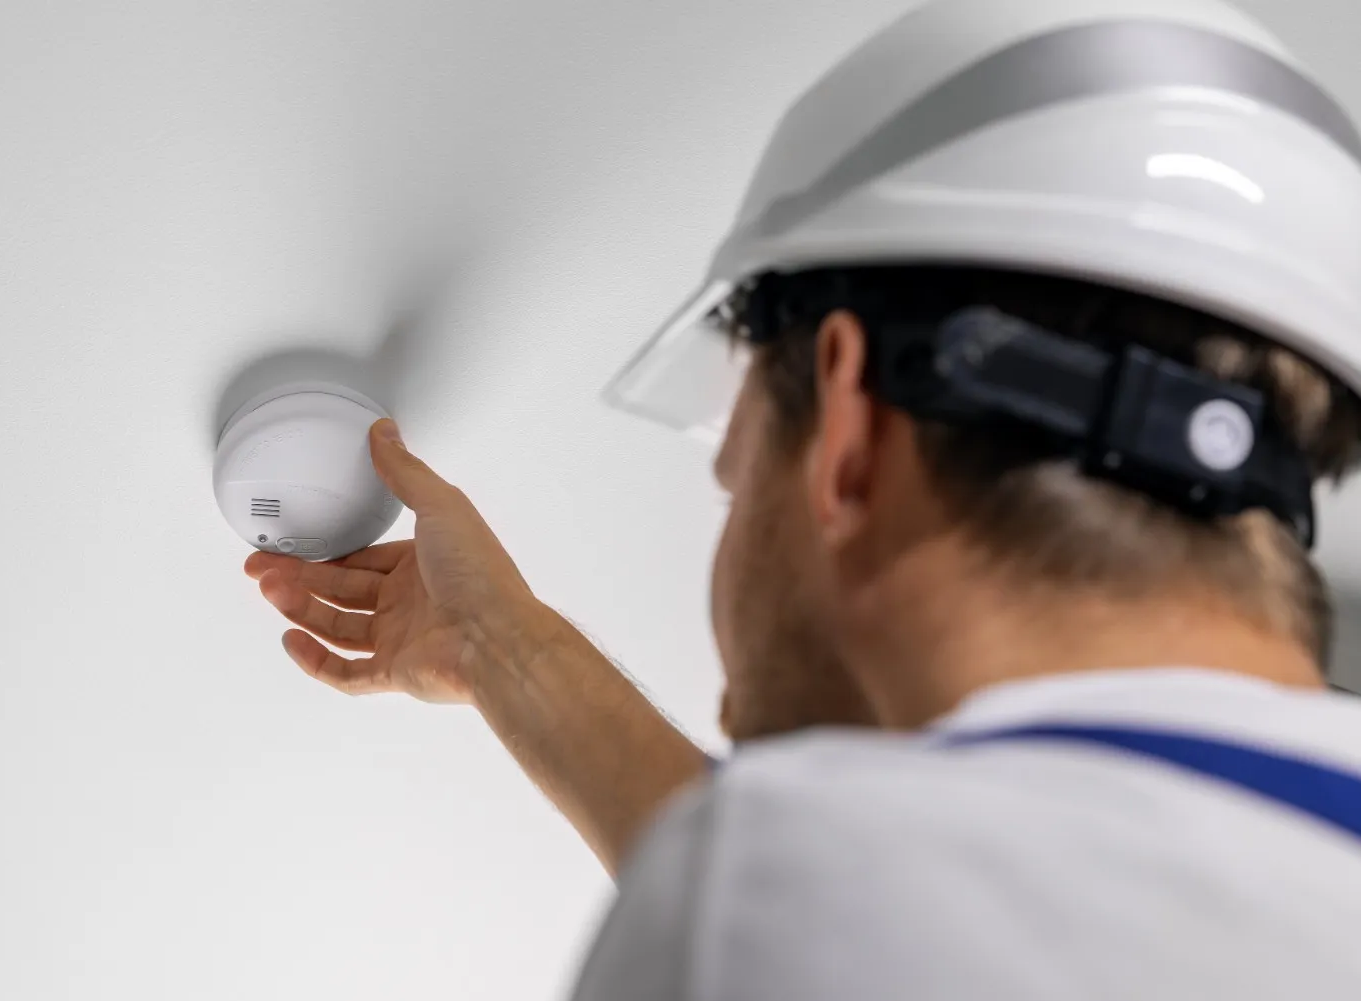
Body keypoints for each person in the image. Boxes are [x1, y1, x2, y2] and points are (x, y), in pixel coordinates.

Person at [245, 0, 1361, 996]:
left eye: (736, 481)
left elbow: (812, 907)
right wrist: (501, 646)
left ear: (847, 434)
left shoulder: (786, 898)